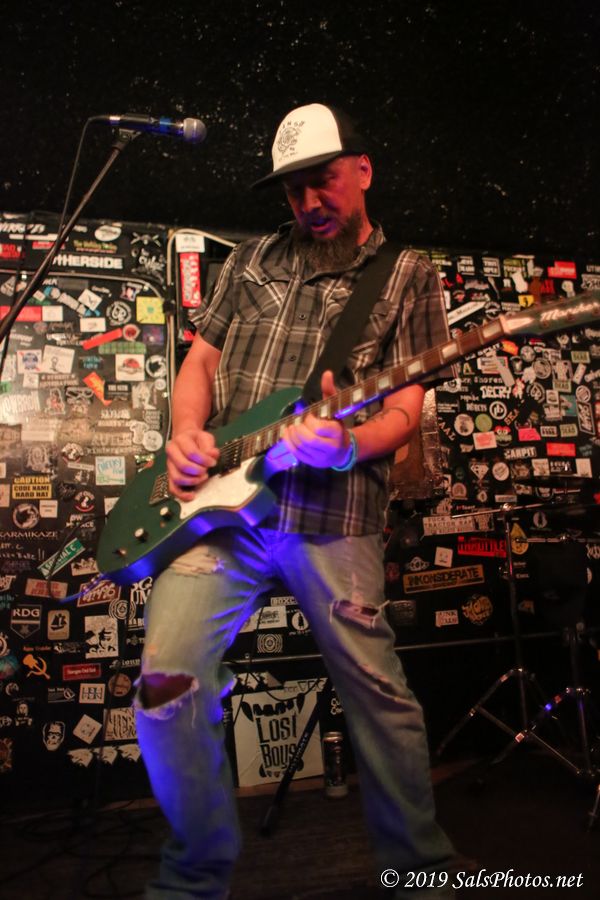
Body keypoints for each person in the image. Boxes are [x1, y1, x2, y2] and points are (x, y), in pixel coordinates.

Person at [135, 103, 456, 899]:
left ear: (362, 169)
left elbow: (404, 412)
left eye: (323, 180)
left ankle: (420, 876)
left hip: (333, 514)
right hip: (222, 509)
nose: (309, 201)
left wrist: (344, 445)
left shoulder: (408, 273)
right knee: (165, 681)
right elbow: (200, 361)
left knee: (377, 698)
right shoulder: (250, 260)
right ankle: (193, 877)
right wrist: (185, 432)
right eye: (292, 189)